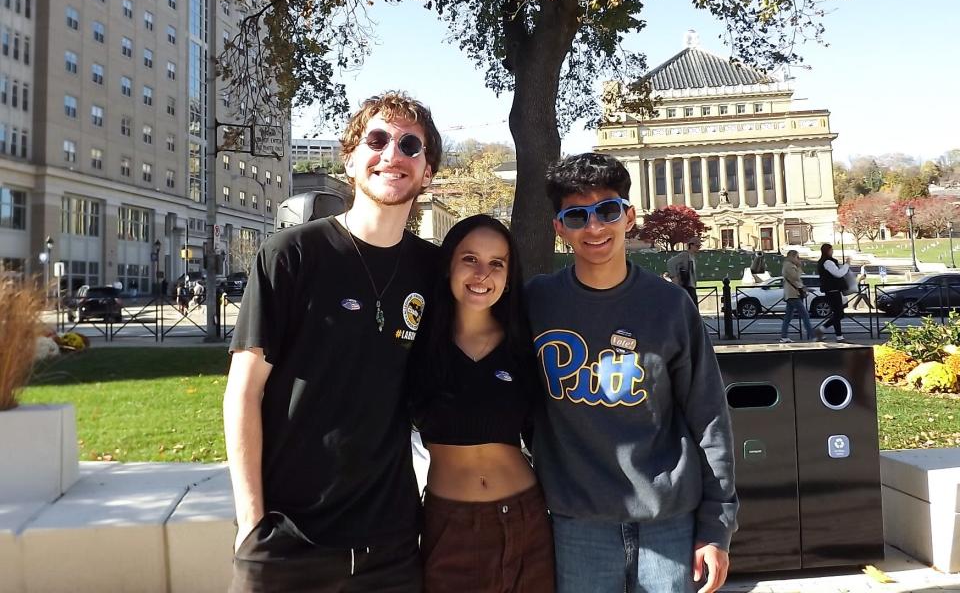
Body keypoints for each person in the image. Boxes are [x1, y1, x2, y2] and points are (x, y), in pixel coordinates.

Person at [224, 92, 441, 593]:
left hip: (390, 543)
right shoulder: (292, 254)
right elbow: (243, 393)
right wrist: (253, 525)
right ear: (350, 158)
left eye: (411, 145)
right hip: (288, 537)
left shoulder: (432, 270)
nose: (392, 154)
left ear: (427, 171)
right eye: (377, 139)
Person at [526, 152, 738, 593]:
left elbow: (709, 416)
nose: (595, 227)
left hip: (669, 519)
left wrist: (716, 525)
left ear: (629, 216)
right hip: (576, 522)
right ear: (559, 228)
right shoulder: (535, 304)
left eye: (607, 210)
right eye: (577, 215)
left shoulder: (670, 306)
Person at [411, 215, 554, 593]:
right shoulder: (417, 344)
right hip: (450, 527)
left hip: (527, 520)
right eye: (470, 259)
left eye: (497, 264)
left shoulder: (524, 344)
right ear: (448, 266)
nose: (482, 274)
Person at [779, 249, 823, 343]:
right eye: (797, 257)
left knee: (788, 316)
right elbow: (796, 277)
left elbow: (796, 280)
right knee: (804, 314)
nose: (798, 259)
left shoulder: (789, 265)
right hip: (792, 294)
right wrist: (799, 267)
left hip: (792, 293)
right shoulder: (789, 266)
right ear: (792, 256)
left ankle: (784, 336)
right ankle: (812, 335)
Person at [813, 243, 850, 343]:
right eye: (831, 249)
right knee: (838, 313)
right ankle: (832, 334)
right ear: (828, 251)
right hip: (833, 290)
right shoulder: (828, 262)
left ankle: (834, 334)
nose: (832, 251)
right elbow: (838, 274)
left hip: (830, 290)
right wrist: (847, 264)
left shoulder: (823, 262)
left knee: (838, 313)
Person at [667, 238, 702, 303]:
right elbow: (670, 262)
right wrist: (674, 277)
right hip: (686, 286)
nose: (698, 248)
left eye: (699, 246)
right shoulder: (685, 255)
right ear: (691, 245)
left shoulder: (692, 257)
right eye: (697, 246)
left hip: (691, 286)